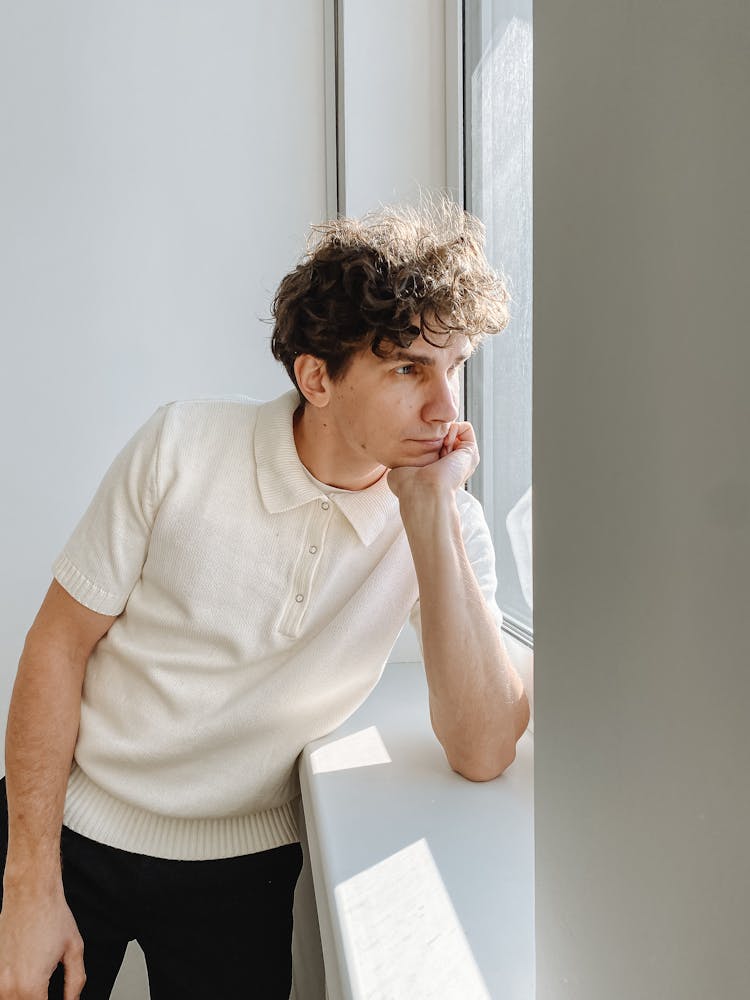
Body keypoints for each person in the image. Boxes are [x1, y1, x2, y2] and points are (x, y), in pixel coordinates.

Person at [0, 200, 530, 999]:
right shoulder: (181, 445)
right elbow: (57, 644)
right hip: (71, 829)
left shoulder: (445, 518)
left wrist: (428, 514)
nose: (446, 409)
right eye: (408, 369)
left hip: (245, 864)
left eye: (454, 367)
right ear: (317, 377)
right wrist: (29, 882)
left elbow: (484, 747)